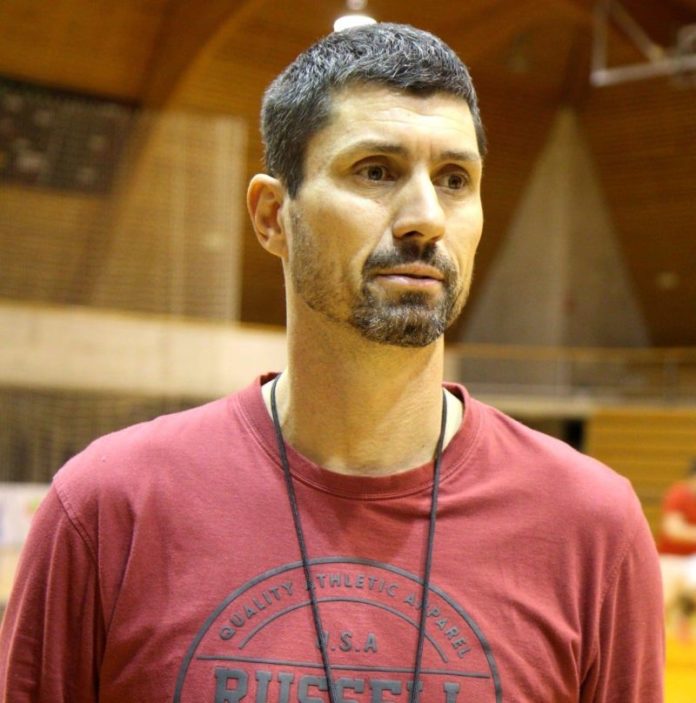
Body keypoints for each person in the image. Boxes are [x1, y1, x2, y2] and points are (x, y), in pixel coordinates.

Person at [0, 23, 663, 703]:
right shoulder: (110, 507)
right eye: (376, 170)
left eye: (455, 179)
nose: (426, 217)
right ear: (272, 216)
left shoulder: (591, 526)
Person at [658, 460, 696, 640]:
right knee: (664, 599)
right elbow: (673, 529)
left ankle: (683, 618)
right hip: (671, 558)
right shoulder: (679, 494)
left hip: (692, 560)